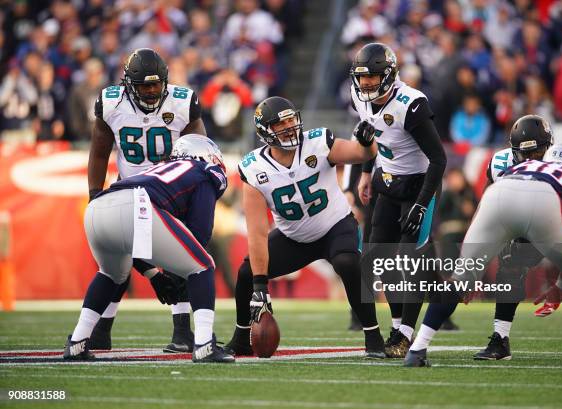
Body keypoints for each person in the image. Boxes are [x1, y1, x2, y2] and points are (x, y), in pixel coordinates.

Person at [404, 145, 562, 369]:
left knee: (458, 281)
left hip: (498, 195)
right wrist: (561, 286)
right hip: (543, 200)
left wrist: (472, 269)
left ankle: (417, 350)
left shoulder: (521, 166)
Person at [223, 96, 386, 358]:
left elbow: (361, 153)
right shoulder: (253, 169)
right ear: (266, 131)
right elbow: (257, 233)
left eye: (291, 120)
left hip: (335, 225)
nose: (290, 127)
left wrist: (367, 142)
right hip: (295, 237)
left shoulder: (318, 142)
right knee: (245, 273)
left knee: (347, 262)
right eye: (281, 123)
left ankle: (373, 335)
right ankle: (242, 337)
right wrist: (260, 287)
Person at [64, 134, 234, 364]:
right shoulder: (204, 171)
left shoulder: (160, 169)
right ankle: (204, 344)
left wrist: (152, 274)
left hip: (97, 207)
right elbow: (199, 234)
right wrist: (183, 271)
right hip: (136, 206)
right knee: (203, 265)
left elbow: (130, 240)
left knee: (111, 274)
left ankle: (77, 341)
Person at [87, 48, 207, 353]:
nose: (152, 91)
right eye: (144, 85)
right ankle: (101, 331)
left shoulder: (183, 102)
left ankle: (182, 331)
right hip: (130, 191)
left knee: (183, 262)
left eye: (156, 84)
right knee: (118, 264)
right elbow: (100, 151)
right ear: (128, 84)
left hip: (173, 191)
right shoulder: (111, 103)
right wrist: (94, 195)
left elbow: (200, 152)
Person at [474, 115, 562, 360]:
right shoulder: (500, 164)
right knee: (511, 262)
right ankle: (500, 339)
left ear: (549, 147)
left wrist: (561, 282)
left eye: (536, 153)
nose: (530, 160)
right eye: (524, 154)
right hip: (538, 217)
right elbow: (485, 209)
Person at [351, 42, 447, 358]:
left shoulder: (411, 104)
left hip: (420, 185)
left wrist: (421, 203)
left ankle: (406, 333)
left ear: (389, 75)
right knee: (381, 259)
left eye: (373, 77)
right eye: (362, 77)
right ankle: (398, 328)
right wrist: (366, 171)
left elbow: (438, 159)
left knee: (410, 262)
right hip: (387, 181)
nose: (366, 84)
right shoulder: (361, 98)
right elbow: (373, 136)